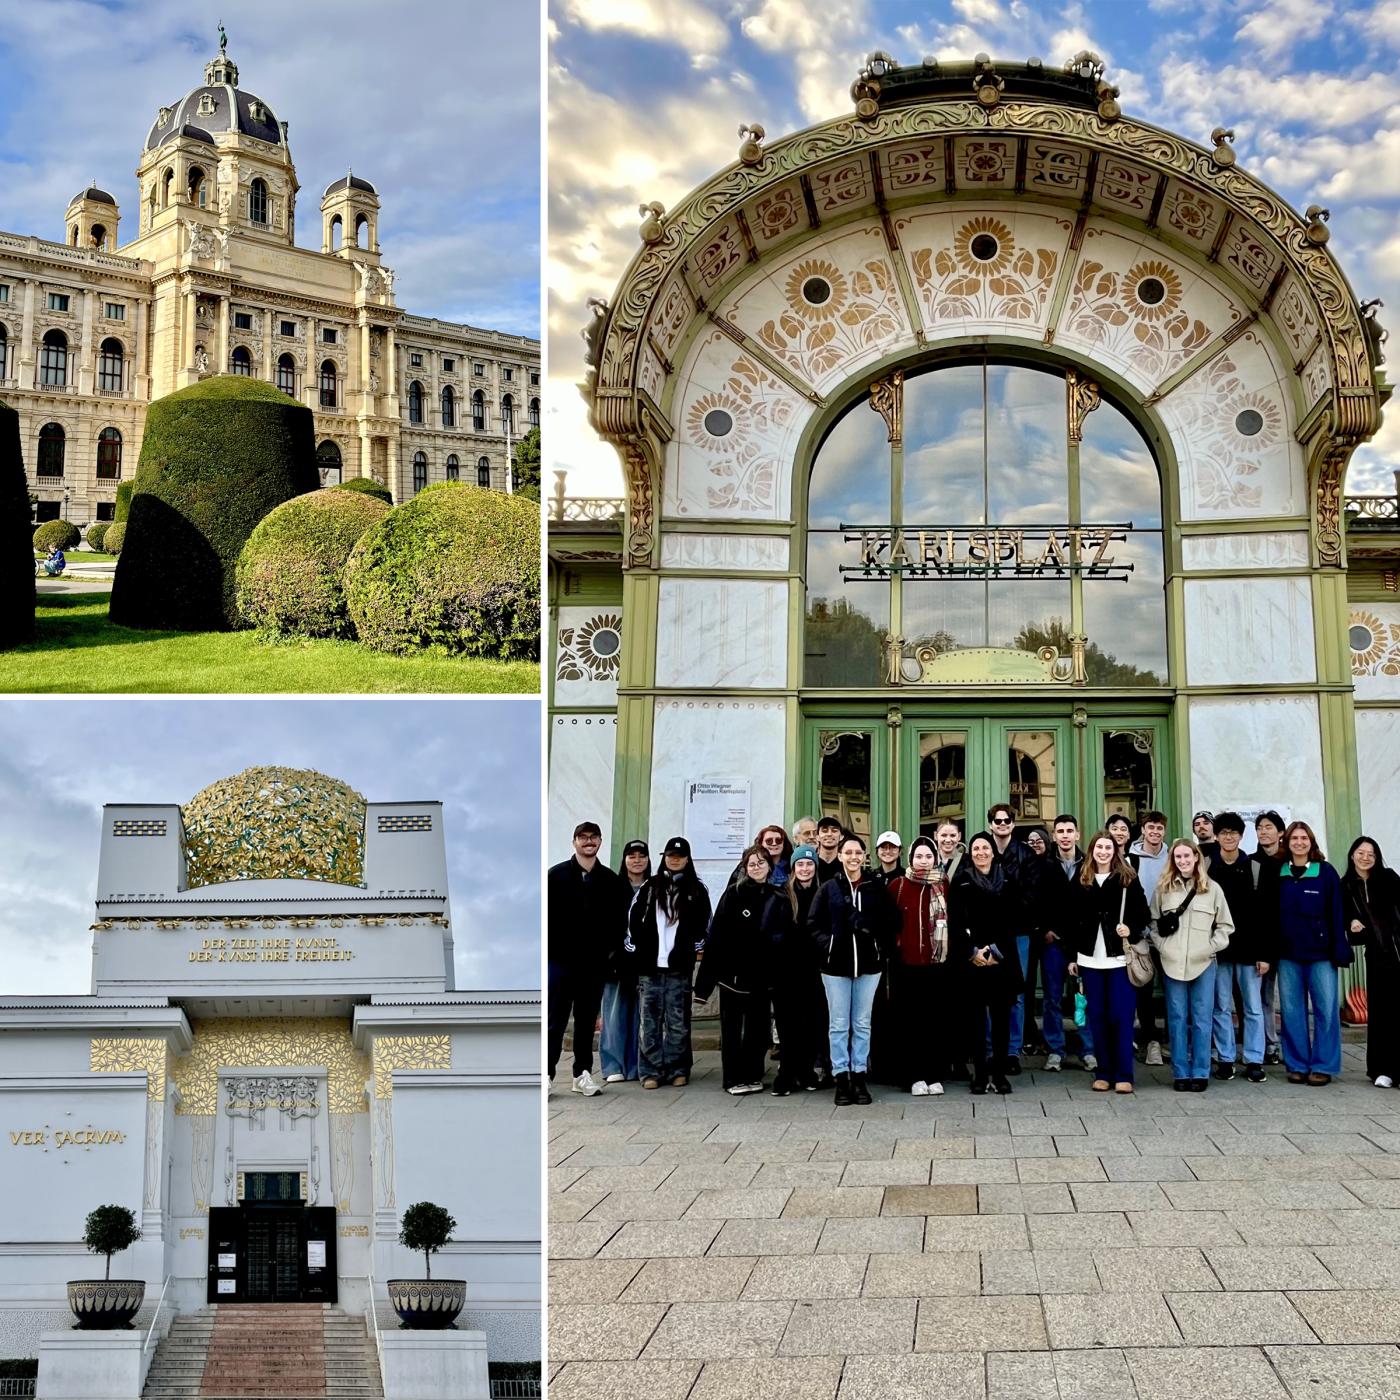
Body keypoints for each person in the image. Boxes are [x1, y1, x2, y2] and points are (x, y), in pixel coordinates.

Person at [809, 833, 898, 1106]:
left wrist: (878, 946)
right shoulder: (829, 888)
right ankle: (841, 1076)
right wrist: (830, 944)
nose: (853, 857)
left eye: (857, 852)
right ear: (840, 856)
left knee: (861, 1023)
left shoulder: (875, 887)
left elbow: (891, 921)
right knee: (838, 1024)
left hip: (869, 966)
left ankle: (859, 1074)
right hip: (835, 967)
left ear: (864, 856)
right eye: (848, 852)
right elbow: (813, 923)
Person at [626, 836, 713, 1089]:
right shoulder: (650, 887)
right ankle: (651, 1071)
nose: (675, 860)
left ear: (687, 859)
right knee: (650, 1023)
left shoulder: (697, 889)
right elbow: (632, 920)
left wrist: (694, 948)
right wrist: (638, 949)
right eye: (670, 856)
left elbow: (704, 924)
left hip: (679, 968)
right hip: (649, 967)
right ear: (663, 857)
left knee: (678, 1023)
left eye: (680, 856)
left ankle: (678, 1069)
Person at [547, 822, 625, 1096]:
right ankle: (547, 1074)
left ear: (600, 841)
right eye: (583, 837)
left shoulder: (610, 880)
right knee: (554, 1020)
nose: (588, 842)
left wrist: (608, 953)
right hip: (560, 963)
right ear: (574, 842)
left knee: (585, 1021)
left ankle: (582, 1075)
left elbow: (618, 922)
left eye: (593, 837)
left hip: (593, 965)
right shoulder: (555, 876)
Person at [1069, 831, 1151, 1093]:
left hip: (1119, 959)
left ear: (1115, 851)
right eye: (1099, 847)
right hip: (1089, 960)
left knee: (1121, 1016)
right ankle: (1103, 1072)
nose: (1103, 852)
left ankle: (1124, 1073)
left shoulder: (1127, 878)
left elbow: (1143, 914)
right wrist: (1072, 956)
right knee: (1098, 1017)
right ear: (1092, 850)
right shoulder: (1081, 879)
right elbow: (1068, 917)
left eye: (1108, 847)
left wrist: (1132, 930)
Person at [1150, 839, 1233, 1092]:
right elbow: (1153, 923)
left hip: (1203, 963)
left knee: (1202, 1018)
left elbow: (1225, 926)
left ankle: (1200, 1071)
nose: (1183, 861)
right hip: (1172, 962)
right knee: (1176, 1018)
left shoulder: (1213, 889)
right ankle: (1180, 1072)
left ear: (1196, 858)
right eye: (1178, 857)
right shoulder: (1163, 889)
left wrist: (1209, 948)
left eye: (1187, 856)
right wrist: (1163, 947)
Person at [696, 845, 778, 1095]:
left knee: (758, 1029)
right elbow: (717, 936)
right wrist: (704, 986)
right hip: (733, 977)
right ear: (745, 868)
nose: (756, 867)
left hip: (762, 978)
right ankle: (733, 1078)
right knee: (732, 1030)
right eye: (751, 864)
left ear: (769, 867)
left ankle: (753, 1074)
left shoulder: (777, 895)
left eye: (761, 863)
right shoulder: (733, 894)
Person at [1275, 820, 1350, 1085]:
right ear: (1287, 842)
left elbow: (1336, 912)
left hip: (1321, 953)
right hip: (1287, 954)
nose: (1299, 842)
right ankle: (1296, 1064)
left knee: (1325, 1011)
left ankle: (1323, 1065)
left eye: (1303, 838)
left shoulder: (1325, 872)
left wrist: (1339, 949)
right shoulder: (1279, 872)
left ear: (1311, 842)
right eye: (1294, 838)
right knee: (1292, 1010)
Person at [1208, 813, 1272, 1083]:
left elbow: (1266, 916)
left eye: (1233, 832)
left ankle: (1255, 1059)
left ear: (1241, 836)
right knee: (1221, 1006)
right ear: (1217, 836)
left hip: (1249, 951)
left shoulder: (1256, 867)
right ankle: (1225, 1058)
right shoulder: (1209, 867)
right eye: (1223, 832)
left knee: (1252, 1007)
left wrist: (1264, 953)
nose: (1228, 837)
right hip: (1219, 951)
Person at [887, 836, 952, 1096]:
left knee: (934, 1021)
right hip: (907, 965)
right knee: (910, 1022)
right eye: (918, 857)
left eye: (928, 856)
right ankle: (912, 1076)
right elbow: (888, 923)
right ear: (910, 858)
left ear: (935, 858)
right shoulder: (898, 885)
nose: (923, 862)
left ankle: (935, 1073)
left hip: (936, 965)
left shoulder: (944, 885)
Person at [1037, 815, 1096, 1073]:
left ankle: (1088, 1050)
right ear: (1054, 836)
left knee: (1082, 997)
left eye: (1069, 830)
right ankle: (1055, 1050)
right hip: (1053, 943)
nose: (1064, 835)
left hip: (1082, 944)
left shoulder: (1089, 865)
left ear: (1077, 835)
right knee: (1052, 999)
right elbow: (1036, 900)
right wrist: (1045, 930)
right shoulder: (1044, 865)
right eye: (1059, 831)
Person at [1342, 836, 1400, 1087]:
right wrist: (1351, 922)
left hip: (1399, 949)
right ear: (1352, 854)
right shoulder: (1346, 885)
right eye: (1361, 852)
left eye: (1371, 854)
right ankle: (1381, 1070)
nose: (1365, 857)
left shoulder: (1388, 878)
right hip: (1377, 956)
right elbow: (1344, 914)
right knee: (1380, 1013)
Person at [767, 844, 824, 1095]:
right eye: (800, 864)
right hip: (785, 970)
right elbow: (768, 930)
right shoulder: (780, 895)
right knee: (788, 1023)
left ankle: (806, 1070)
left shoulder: (823, 892)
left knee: (811, 1023)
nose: (805, 868)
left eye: (809, 864)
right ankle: (786, 1073)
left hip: (814, 970)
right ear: (793, 868)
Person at [986, 804, 1036, 1073]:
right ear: (991, 824)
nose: (1002, 824)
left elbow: (1032, 894)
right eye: (997, 821)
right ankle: (990, 1049)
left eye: (1007, 820)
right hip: (989, 933)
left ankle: (1012, 1051)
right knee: (988, 991)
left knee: (1015, 993)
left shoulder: (1025, 854)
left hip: (1018, 931)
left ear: (1013, 824)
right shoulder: (982, 850)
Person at [599, 838, 649, 1083]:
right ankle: (613, 1065)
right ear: (625, 860)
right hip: (617, 961)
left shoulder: (654, 887)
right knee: (614, 1014)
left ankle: (635, 1065)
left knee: (641, 1015)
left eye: (641, 856)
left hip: (644, 961)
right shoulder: (613, 886)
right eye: (632, 856)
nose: (637, 860)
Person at [1128, 811, 1170, 1066]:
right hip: (1142, 932)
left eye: (1159, 828)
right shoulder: (1131, 858)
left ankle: (1167, 1041)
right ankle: (1149, 1041)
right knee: (1142, 987)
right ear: (1143, 829)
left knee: (1171, 988)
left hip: (1167, 933)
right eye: (1151, 827)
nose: (1155, 832)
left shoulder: (1171, 857)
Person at [1253, 811, 1287, 1065]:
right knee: (1263, 996)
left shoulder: (1290, 862)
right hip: (1262, 939)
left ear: (1280, 833)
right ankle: (1268, 1043)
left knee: (1289, 997)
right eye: (1260, 828)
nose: (1263, 832)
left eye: (1268, 827)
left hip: (1290, 939)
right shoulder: (1252, 862)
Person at [726, 824, 792, 889]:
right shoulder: (746, 865)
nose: (774, 843)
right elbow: (732, 891)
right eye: (769, 841)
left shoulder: (792, 864)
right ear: (761, 843)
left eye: (778, 840)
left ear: (784, 843)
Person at [814, 816, 844, 883]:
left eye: (834, 831)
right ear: (817, 837)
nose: (829, 834)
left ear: (841, 837)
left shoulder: (845, 865)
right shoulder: (811, 864)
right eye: (824, 831)